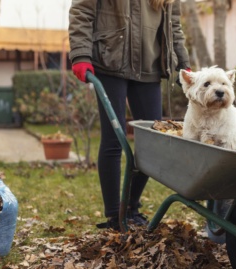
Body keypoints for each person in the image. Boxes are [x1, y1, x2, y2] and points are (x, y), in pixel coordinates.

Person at [68, 0, 191, 230]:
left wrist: (183, 63)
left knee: (153, 141)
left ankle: (131, 207)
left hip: (149, 66)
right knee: (114, 139)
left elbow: (174, 25)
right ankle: (116, 215)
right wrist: (80, 54)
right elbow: (82, 11)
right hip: (110, 59)